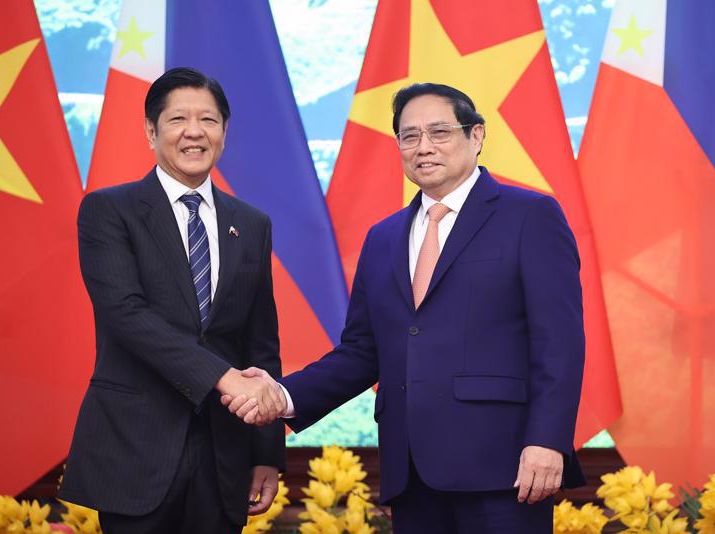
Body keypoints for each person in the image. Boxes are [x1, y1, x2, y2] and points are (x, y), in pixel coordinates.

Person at [227, 82, 587, 533]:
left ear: (476, 136)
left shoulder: (530, 215)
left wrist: (547, 441)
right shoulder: (384, 237)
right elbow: (361, 352)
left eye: (439, 132)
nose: (423, 147)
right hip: (411, 471)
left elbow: (560, 343)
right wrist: (282, 395)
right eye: (409, 135)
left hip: (505, 468)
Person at [59, 67, 285, 534]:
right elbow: (125, 314)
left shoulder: (252, 223)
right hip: (135, 447)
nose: (195, 132)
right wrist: (222, 377)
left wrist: (266, 452)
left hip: (224, 454)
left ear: (224, 131)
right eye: (178, 119)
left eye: (209, 119)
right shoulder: (108, 211)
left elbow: (261, 342)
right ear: (151, 131)